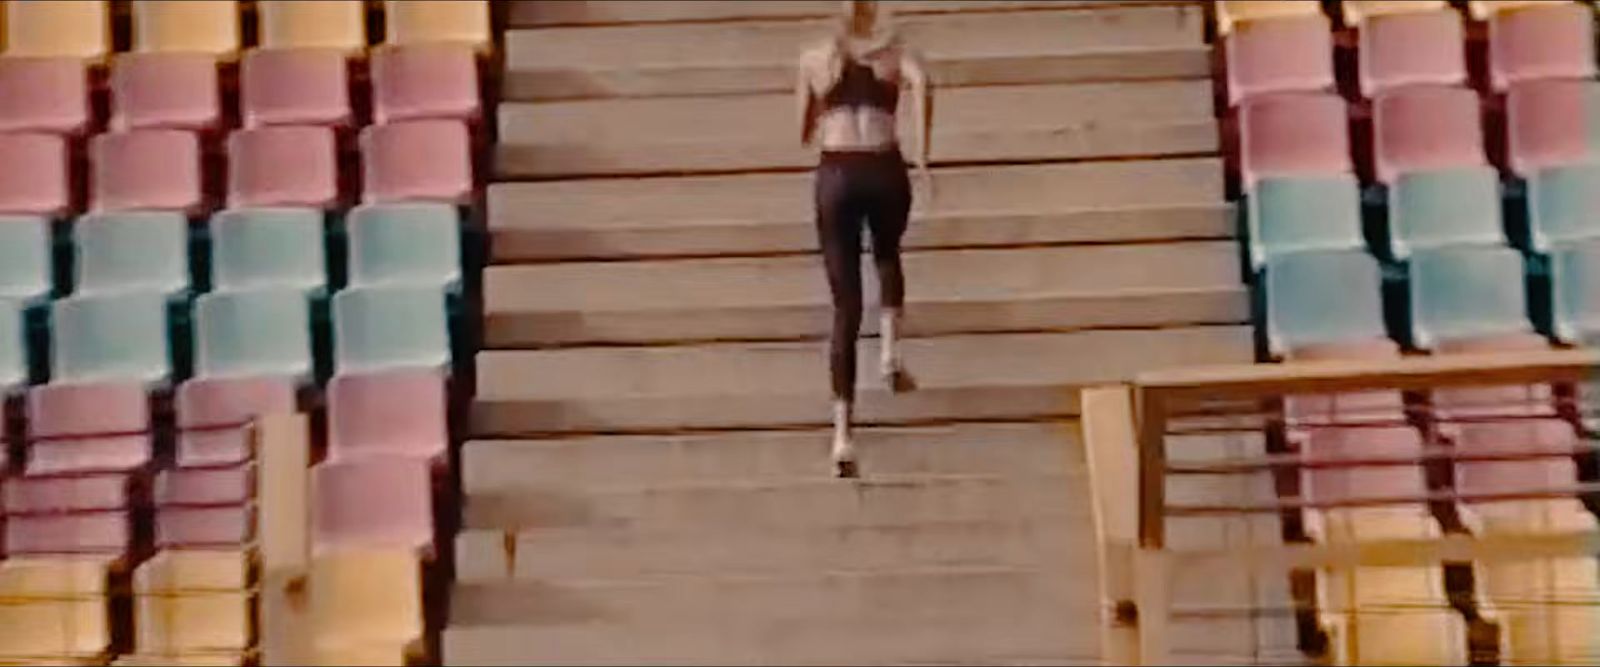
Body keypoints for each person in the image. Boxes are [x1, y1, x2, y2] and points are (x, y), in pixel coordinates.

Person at [797, 0, 933, 478]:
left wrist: (824, 103)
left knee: (845, 308)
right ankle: (891, 350)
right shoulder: (895, 54)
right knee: (888, 255)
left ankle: (842, 437)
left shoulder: (815, 57)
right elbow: (924, 85)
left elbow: (803, 129)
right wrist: (923, 154)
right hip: (883, 161)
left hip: (837, 170)